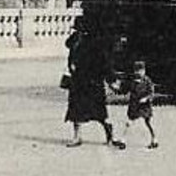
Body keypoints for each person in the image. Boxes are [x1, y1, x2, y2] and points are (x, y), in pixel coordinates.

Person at [63, 17, 117, 147]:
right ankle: (77, 137)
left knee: (98, 113)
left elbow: (104, 63)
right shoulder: (75, 41)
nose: (77, 31)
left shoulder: (95, 43)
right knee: (75, 111)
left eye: (79, 29)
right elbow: (68, 45)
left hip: (92, 82)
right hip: (78, 81)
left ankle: (108, 131)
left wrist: (110, 79)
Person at [119, 60, 157, 150]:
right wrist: (116, 88)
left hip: (145, 105)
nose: (138, 73)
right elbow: (124, 90)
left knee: (148, 122)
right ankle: (123, 140)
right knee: (129, 122)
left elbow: (152, 93)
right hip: (134, 104)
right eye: (136, 70)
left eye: (141, 70)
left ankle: (154, 139)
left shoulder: (147, 80)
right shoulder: (132, 80)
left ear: (144, 71)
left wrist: (146, 98)